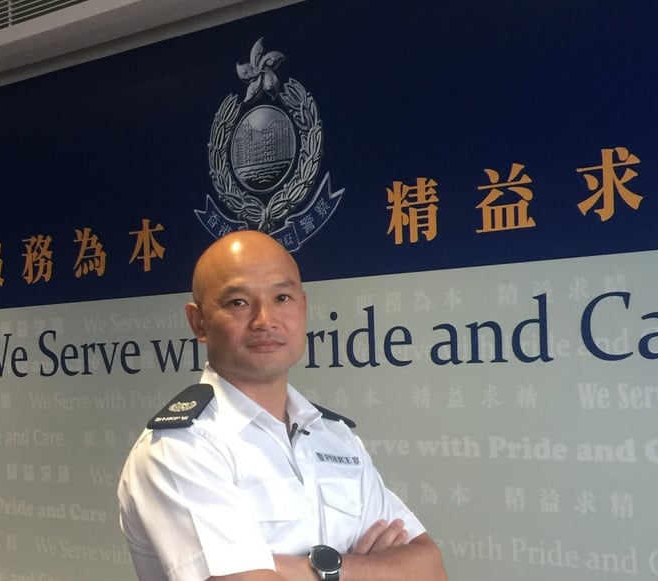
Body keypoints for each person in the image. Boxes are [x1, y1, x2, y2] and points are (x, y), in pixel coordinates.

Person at [117, 230, 447, 581]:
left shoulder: (334, 436)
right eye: (238, 302)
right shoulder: (181, 449)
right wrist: (373, 570)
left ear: (303, 307)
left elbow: (429, 567)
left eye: (282, 297)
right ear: (198, 322)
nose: (264, 320)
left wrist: (318, 570)